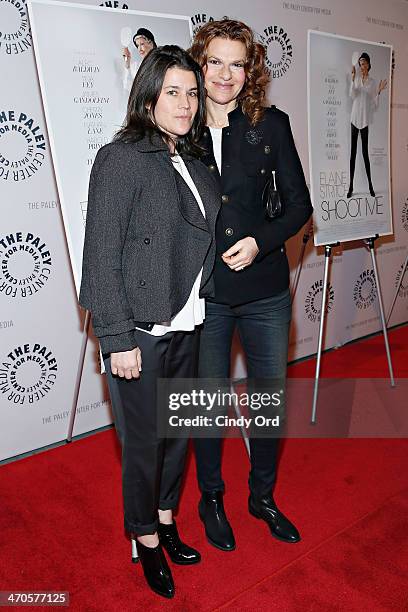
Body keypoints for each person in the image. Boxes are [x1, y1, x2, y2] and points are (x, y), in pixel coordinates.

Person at [79, 45, 220, 598]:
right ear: (147, 95)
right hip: (139, 330)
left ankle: (165, 521)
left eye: (191, 93)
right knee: (145, 444)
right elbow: (101, 254)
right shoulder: (120, 158)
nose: (185, 104)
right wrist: (116, 338)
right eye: (172, 93)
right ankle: (143, 538)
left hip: (188, 322)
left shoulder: (189, 156)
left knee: (178, 436)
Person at [189, 19, 313, 551]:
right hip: (204, 294)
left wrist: (261, 242)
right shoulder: (177, 125)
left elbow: (299, 207)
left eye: (236, 63)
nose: (224, 74)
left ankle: (261, 496)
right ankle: (211, 496)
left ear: (250, 70)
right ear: (199, 63)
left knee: (268, 401)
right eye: (214, 61)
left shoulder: (272, 124)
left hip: (264, 291)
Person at [347, 52, 387, 198]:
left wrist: (379, 92)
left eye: (364, 63)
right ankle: (350, 186)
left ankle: (371, 185)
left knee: (365, 154)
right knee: (352, 154)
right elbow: (352, 95)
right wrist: (352, 80)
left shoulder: (373, 82)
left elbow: (374, 104)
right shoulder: (356, 79)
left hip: (364, 121)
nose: (362, 66)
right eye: (360, 64)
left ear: (369, 64)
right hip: (354, 119)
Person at [122, 27, 157, 92]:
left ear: (151, 43)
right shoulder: (136, 66)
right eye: (138, 45)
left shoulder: (160, 63)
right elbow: (128, 86)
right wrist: (127, 62)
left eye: (142, 44)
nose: (139, 49)